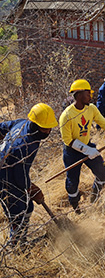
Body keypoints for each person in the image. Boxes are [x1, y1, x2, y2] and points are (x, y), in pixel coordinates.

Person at [59, 79, 105, 214]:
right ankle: (77, 208)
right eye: (88, 93)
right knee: (72, 182)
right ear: (79, 94)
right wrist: (86, 150)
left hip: (87, 146)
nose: (91, 96)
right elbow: (68, 140)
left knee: (103, 173)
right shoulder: (66, 115)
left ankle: (94, 198)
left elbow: (104, 124)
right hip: (72, 152)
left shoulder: (91, 109)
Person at [0, 103, 58, 247]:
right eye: (45, 128)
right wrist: (33, 189)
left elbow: (1, 127)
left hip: (10, 175)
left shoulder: (22, 123)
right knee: (18, 214)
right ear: (36, 125)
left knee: (28, 208)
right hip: (5, 181)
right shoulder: (24, 145)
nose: (49, 131)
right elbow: (21, 177)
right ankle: (13, 248)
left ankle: (21, 240)